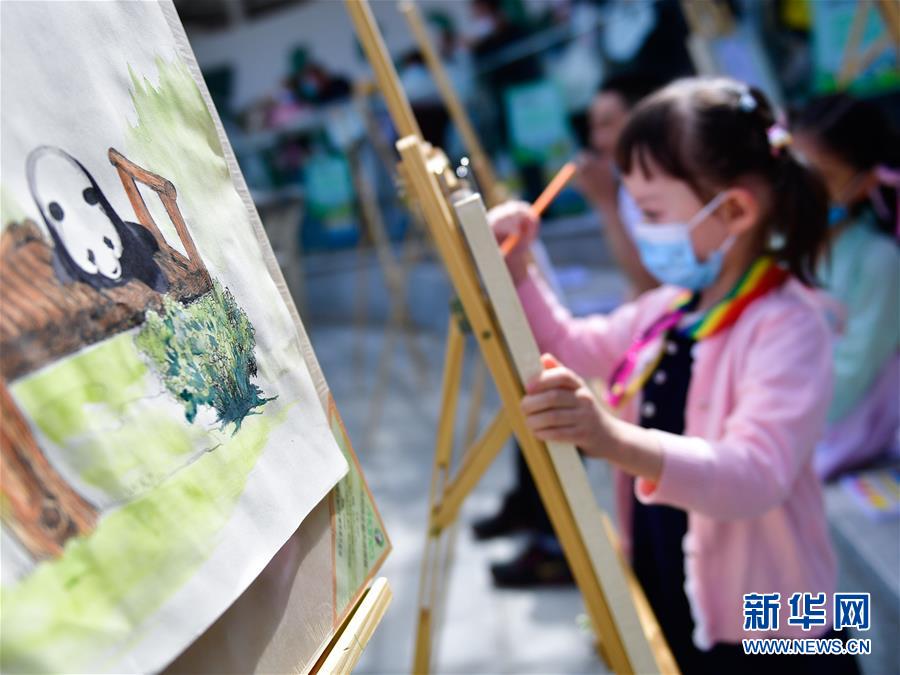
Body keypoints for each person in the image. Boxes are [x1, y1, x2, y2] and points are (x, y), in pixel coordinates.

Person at [490, 77, 859, 674]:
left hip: (781, 618)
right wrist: (515, 269)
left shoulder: (790, 323)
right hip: (672, 578)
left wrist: (611, 439)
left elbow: (756, 473)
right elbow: (570, 346)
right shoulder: (670, 308)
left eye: (653, 212)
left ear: (734, 210)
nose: (641, 227)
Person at [792, 94, 900, 481]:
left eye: (821, 177)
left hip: (841, 432)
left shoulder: (879, 260)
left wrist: (783, 416)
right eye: (793, 171)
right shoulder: (781, 246)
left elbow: (853, 374)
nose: (801, 189)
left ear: (864, 183)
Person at [576, 73, 666, 294]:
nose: (597, 141)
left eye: (606, 124)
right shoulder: (627, 186)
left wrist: (605, 203)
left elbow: (651, 285)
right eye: (594, 127)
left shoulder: (670, 182)